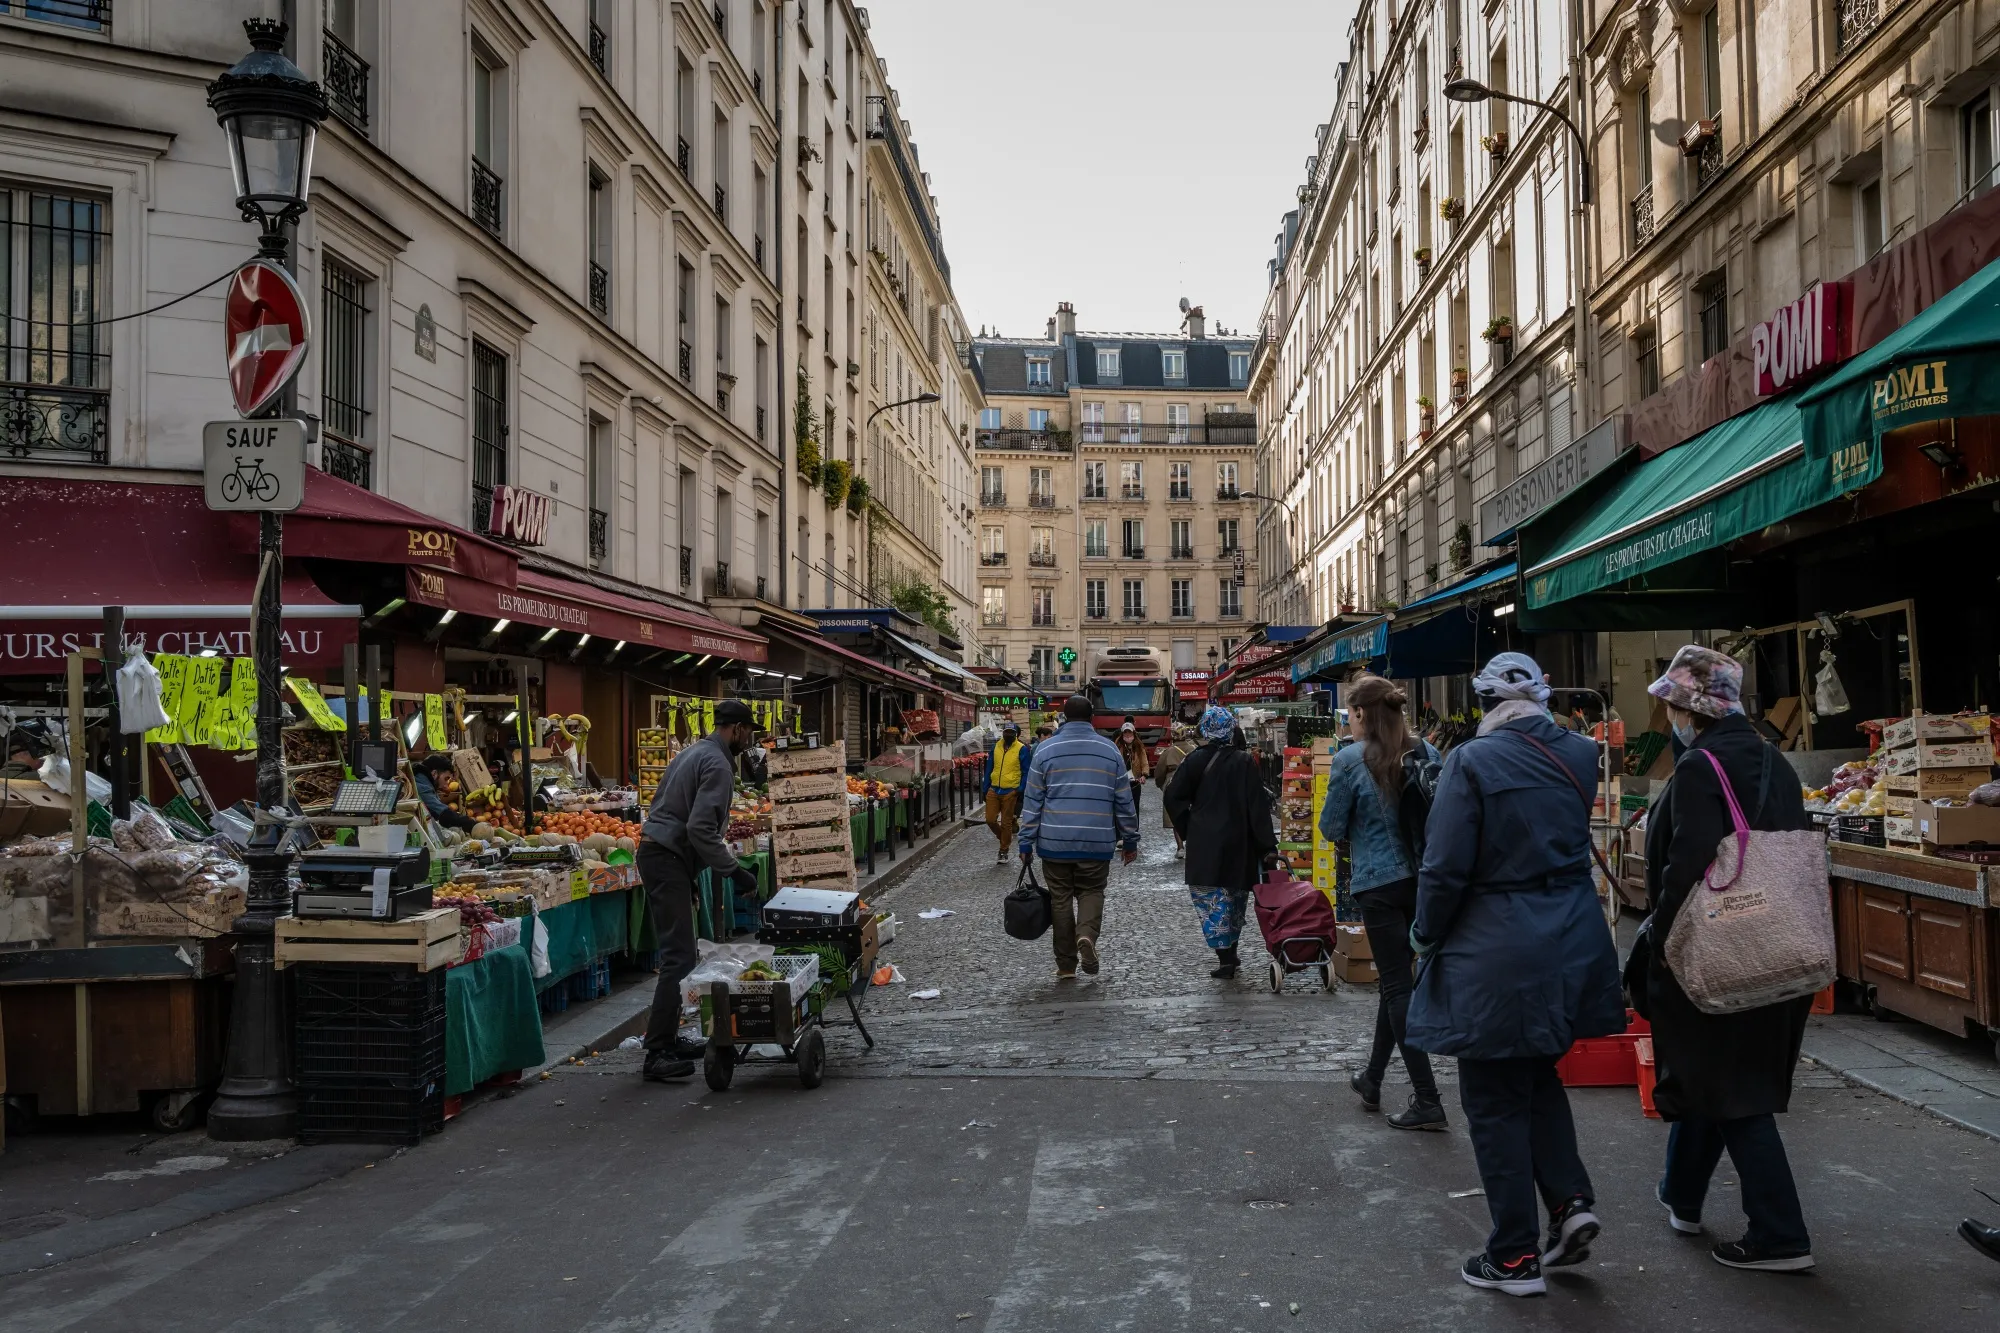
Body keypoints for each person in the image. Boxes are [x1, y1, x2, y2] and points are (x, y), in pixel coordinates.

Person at [1407, 652, 1626, 1297]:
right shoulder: (1582, 756)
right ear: (1545, 699)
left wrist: (1425, 934)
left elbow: (1444, 868)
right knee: (1536, 1077)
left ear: (1482, 703)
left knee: (1493, 1097)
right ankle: (1569, 1203)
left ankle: (1512, 1256)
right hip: (1572, 936)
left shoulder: (1469, 762)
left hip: (1497, 944)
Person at [1643, 645, 1817, 1273]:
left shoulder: (1700, 767)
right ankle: (1682, 1196)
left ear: (1691, 708)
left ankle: (1781, 1234)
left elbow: (1687, 862)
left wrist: (1661, 939)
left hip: (1718, 946)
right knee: (1716, 1074)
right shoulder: (1777, 761)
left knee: (1734, 1090)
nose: (1668, 719)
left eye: (1671, 706)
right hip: (1779, 943)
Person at [1317, 675, 1445, 1131]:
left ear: (1363, 715)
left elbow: (1331, 827)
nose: (1348, 722)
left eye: (1351, 714)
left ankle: (1428, 1098)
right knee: (1396, 985)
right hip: (1425, 882)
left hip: (1379, 884)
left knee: (1395, 987)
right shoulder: (1428, 752)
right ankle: (1372, 1078)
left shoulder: (1350, 760)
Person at [636, 698, 761, 1081]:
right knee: (677, 958)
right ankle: (657, 1053)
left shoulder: (692, 753)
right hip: (665, 857)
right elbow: (698, 829)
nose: (749, 740)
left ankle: (668, 1037)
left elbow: (668, 812)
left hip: (663, 856)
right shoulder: (719, 765)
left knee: (683, 953)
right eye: (749, 732)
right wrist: (734, 871)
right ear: (737, 729)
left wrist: (689, 877)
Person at [1017, 694, 1138, 980]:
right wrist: (1130, 839)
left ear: (1063, 717)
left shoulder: (1044, 751)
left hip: (1054, 841)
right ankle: (1086, 935)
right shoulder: (1110, 751)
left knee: (1060, 900)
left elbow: (1032, 801)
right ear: (1092, 717)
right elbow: (1124, 801)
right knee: (1092, 892)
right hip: (1097, 840)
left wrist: (1025, 841)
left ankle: (1066, 965)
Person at [1165, 704, 1277, 978]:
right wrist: (1267, 846)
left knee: (1211, 900)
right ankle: (1231, 952)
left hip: (1206, 843)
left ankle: (1224, 955)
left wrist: (1189, 826)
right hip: (1240, 841)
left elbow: (1172, 796)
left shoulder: (1194, 760)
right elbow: (1257, 807)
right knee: (1235, 898)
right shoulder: (1244, 761)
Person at [982, 722, 1033, 864]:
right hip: (994, 788)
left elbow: (1026, 771)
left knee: (1006, 823)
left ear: (1016, 734)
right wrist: (985, 788)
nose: (1008, 735)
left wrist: (1019, 789)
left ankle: (1003, 850)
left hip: (1010, 790)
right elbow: (989, 768)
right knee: (990, 820)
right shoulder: (996, 747)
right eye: (1006, 732)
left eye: (1011, 732)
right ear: (1003, 733)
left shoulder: (1022, 749)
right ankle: (1005, 838)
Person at [1153, 725, 1199, 858]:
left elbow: (1159, 772)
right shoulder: (1193, 749)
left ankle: (1180, 847)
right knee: (1192, 814)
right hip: (1191, 782)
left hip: (1172, 782)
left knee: (1175, 816)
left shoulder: (1168, 752)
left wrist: (1161, 785)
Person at [413, 755, 477, 832]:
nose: (446, 785)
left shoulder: (424, 781)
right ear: (434, 774)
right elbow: (442, 813)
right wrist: (469, 823)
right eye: (446, 778)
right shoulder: (422, 787)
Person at [1115, 718, 1151, 813]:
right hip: (1122, 782)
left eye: (1129, 732)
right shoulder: (1117, 747)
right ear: (1122, 734)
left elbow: (1144, 763)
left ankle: (1135, 827)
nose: (1127, 735)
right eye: (1125, 732)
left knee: (1135, 808)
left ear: (1133, 733)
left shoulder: (1139, 748)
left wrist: (1144, 775)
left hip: (1135, 783)